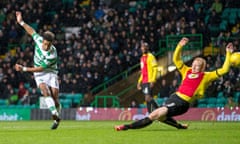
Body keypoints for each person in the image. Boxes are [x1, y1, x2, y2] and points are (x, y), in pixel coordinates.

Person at [115, 37, 234, 131]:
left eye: (198, 65)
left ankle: (126, 127)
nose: (194, 66)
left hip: (182, 103)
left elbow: (224, 70)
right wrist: (180, 46)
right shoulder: (186, 70)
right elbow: (177, 60)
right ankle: (179, 126)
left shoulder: (206, 76)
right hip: (174, 97)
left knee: (154, 114)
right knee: (161, 117)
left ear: (202, 68)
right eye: (194, 64)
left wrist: (228, 53)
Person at [15, 11, 61, 130]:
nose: (45, 46)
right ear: (43, 40)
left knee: (55, 97)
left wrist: (24, 68)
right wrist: (21, 22)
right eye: (45, 43)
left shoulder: (53, 54)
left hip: (50, 72)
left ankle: (57, 115)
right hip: (39, 74)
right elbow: (31, 31)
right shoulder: (39, 41)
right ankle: (55, 115)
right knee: (45, 91)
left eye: (48, 45)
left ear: (51, 44)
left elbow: (42, 67)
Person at [137, 42, 159, 113]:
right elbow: (143, 71)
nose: (143, 48)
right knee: (147, 99)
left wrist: (153, 80)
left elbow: (155, 68)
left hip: (149, 80)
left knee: (148, 97)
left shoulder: (151, 56)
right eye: (142, 47)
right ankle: (151, 114)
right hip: (144, 81)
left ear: (147, 48)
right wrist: (139, 81)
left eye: (145, 47)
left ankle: (159, 111)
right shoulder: (142, 58)